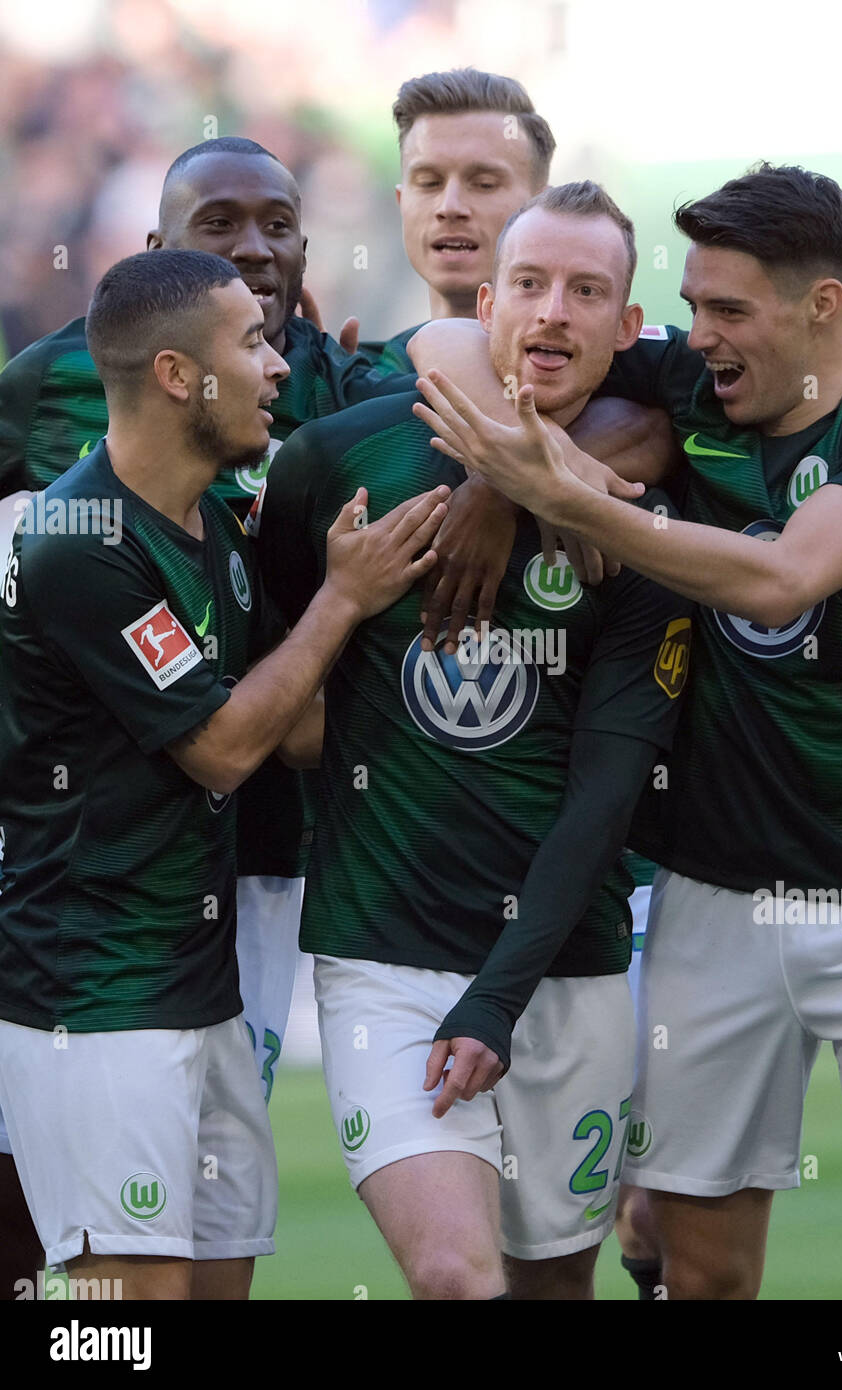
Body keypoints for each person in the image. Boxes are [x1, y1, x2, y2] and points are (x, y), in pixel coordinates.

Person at [413, 163, 842, 1299]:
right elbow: (449, 346)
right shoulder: (696, 383)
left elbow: (782, 581)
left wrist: (575, 498)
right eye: (690, 308)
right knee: (702, 1273)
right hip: (709, 907)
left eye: (730, 311)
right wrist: (516, 474)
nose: (702, 336)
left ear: (822, 309)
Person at [255, 182, 691, 1300]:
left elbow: (604, 792)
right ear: (483, 304)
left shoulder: (644, 517)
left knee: (553, 1290)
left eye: (587, 292)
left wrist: (500, 994)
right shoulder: (331, 462)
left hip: (565, 967)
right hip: (383, 955)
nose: (552, 314)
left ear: (628, 328)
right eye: (532, 285)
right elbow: (279, 685)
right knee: (457, 1277)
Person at [0, 134, 406, 1294]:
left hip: (201, 978)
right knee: (123, 1313)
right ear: (179, 374)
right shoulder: (81, 544)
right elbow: (228, 745)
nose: (276, 366)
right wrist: (343, 598)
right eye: (247, 348)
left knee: (210, 1289)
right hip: (96, 989)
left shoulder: (208, 533)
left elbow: (301, 731)